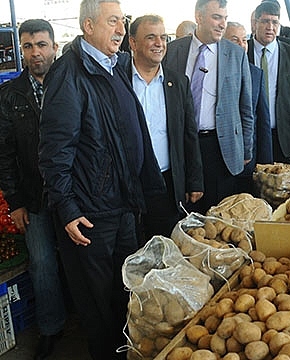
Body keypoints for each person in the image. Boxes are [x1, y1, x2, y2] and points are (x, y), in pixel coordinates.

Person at [38, 0, 167, 358]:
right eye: (113, 22)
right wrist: (66, 207)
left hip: (121, 206)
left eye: (122, 22)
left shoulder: (113, 68)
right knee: (98, 307)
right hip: (91, 215)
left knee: (123, 296)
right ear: (89, 25)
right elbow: (54, 151)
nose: (121, 29)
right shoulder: (69, 74)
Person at [0, 19, 67, 360]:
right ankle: (51, 328)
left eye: (41, 44)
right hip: (35, 197)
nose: (35, 52)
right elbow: (5, 154)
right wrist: (15, 202)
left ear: (55, 46)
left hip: (73, 194)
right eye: (28, 46)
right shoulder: (10, 95)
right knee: (42, 265)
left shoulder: (72, 85)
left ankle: (93, 322)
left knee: (82, 261)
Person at [164, 0, 254, 213]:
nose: (222, 24)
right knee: (183, 213)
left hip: (219, 148)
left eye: (225, 18)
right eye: (216, 17)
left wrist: (246, 147)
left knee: (218, 216)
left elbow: (245, 106)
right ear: (199, 17)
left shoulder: (235, 54)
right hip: (180, 145)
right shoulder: (173, 51)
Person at [128, 15, 204, 242]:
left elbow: (189, 134)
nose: (159, 43)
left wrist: (194, 180)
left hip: (167, 181)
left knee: (166, 248)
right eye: (150, 37)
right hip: (130, 184)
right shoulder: (119, 81)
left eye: (163, 37)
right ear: (132, 43)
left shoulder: (178, 82)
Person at [247, 1, 290, 163]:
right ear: (255, 24)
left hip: (283, 134)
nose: (270, 27)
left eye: (275, 22)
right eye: (265, 21)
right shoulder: (242, 51)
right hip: (250, 135)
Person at [224, 21, 272, 194]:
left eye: (244, 40)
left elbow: (263, 120)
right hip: (220, 162)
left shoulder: (256, 74)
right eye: (234, 40)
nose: (241, 45)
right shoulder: (212, 74)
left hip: (247, 160)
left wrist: (266, 164)